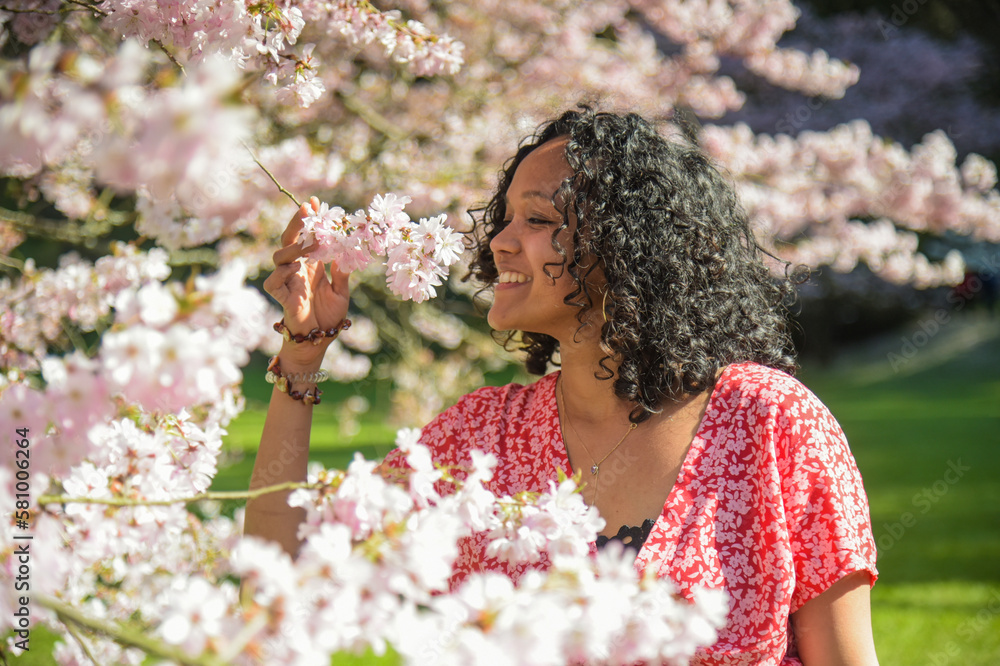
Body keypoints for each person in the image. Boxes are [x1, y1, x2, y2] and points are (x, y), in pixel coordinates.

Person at [245, 107, 880, 665]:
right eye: (506, 217)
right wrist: (302, 354)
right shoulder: (479, 441)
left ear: (628, 245)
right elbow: (283, 580)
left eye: (537, 218)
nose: (499, 241)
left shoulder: (769, 422)